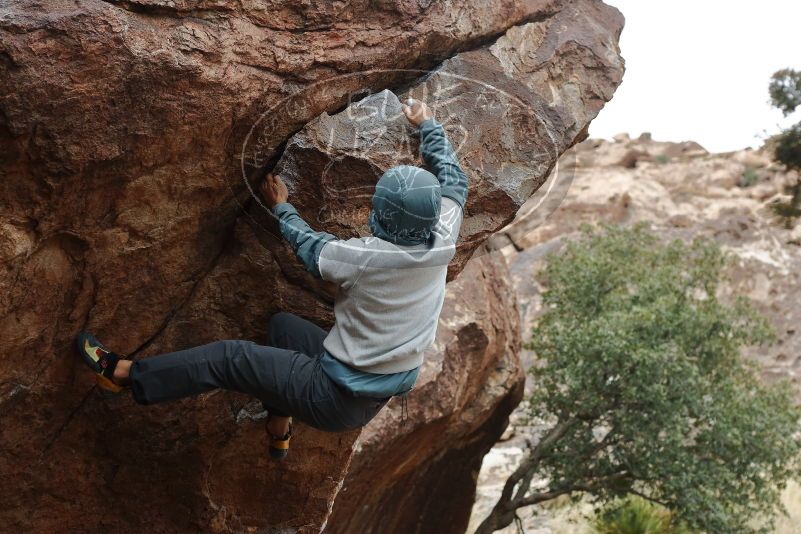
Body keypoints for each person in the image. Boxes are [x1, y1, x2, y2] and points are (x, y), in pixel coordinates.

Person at [76, 98, 468, 460]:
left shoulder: (367, 257)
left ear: (379, 215)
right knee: (283, 328)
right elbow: (454, 180)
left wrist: (282, 206)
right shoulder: (443, 235)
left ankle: (125, 375)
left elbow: (311, 248)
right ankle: (279, 425)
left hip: (330, 396)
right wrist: (429, 124)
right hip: (374, 392)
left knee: (230, 357)